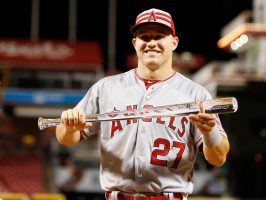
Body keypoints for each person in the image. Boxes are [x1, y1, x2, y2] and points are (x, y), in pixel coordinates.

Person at [55, 8, 230, 200]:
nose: (151, 43)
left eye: (159, 36)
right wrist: (69, 128)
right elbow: (65, 138)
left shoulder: (196, 94)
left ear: (174, 42)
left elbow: (219, 158)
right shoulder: (106, 88)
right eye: (144, 37)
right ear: (135, 43)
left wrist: (209, 132)